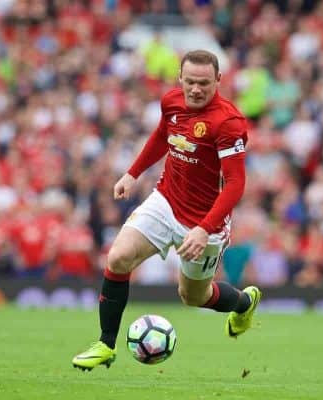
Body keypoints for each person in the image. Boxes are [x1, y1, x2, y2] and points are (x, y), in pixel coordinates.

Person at [72, 50, 262, 371]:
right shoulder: (172, 102)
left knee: (193, 296)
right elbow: (163, 136)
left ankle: (244, 302)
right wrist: (133, 173)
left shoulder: (228, 123)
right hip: (165, 200)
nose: (196, 89)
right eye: (190, 82)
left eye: (204, 83)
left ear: (218, 81)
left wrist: (204, 229)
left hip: (204, 221)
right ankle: (105, 344)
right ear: (180, 79)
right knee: (118, 257)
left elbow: (234, 184)